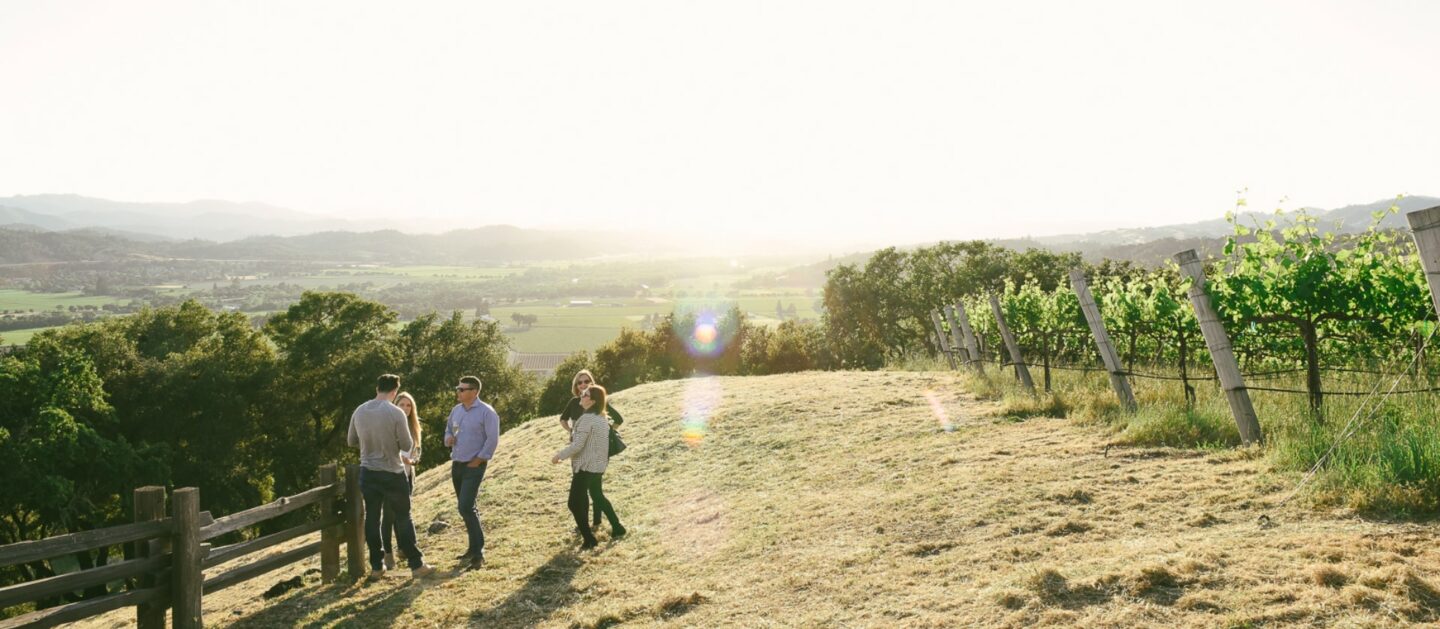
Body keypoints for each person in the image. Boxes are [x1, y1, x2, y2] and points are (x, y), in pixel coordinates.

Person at [347, 374, 435, 580]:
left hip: (368, 472)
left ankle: (377, 566)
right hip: (392, 472)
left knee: (372, 518)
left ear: (377, 388)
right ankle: (416, 564)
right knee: (403, 516)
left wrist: (370, 444)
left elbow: (351, 440)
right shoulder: (396, 413)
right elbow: (407, 445)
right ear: (395, 391)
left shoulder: (359, 410)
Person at [552, 384, 625, 550]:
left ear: (592, 401)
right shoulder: (601, 418)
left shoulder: (586, 419)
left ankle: (589, 539)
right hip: (598, 466)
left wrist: (559, 456)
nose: (581, 395)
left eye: (585, 394)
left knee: (573, 503)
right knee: (597, 496)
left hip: (586, 468)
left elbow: (577, 445)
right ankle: (617, 526)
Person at [444, 375, 499, 570]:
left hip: (473, 466)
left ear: (474, 392)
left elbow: (492, 440)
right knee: (467, 507)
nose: (458, 392)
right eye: (457, 388)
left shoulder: (487, 412)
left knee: (465, 507)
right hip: (457, 464)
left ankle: (479, 553)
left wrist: (479, 460)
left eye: (462, 389)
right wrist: (448, 438)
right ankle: (473, 548)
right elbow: (448, 430)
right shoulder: (456, 410)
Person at [379, 391, 422, 570]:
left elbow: (417, 454)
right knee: (388, 516)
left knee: (403, 514)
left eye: (408, 405)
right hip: (390, 475)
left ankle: (403, 548)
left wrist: (410, 461)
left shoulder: (414, 428)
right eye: (402, 404)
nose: (405, 408)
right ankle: (387, 554)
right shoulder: (388, 424)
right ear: (395, 405)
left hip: (406, 475)